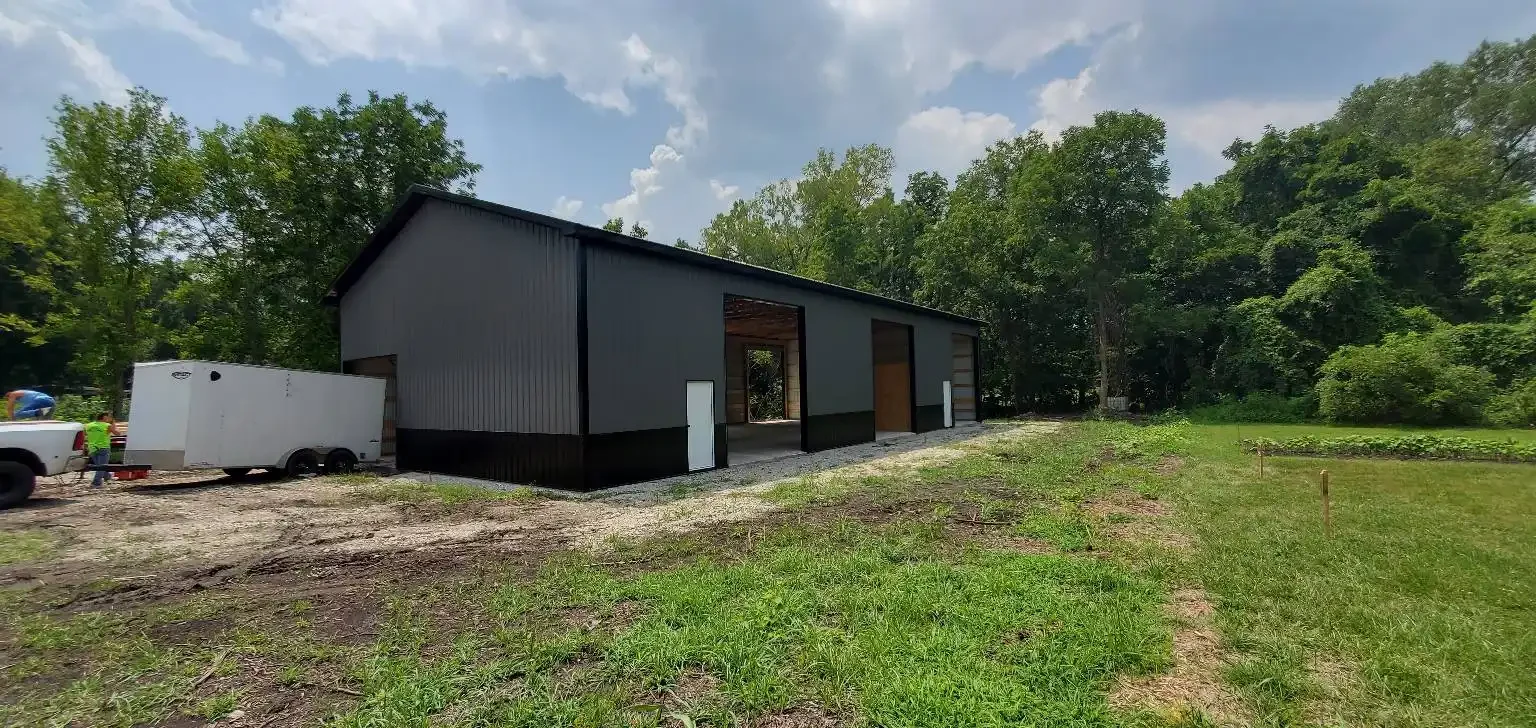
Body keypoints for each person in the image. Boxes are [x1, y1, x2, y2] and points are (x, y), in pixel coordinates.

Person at [83, 412, 120, 489]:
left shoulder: (88, 425)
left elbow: (84, 436)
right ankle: (96, 483)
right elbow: (118, 433)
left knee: (99, 466)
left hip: (92, 448)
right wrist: (113, 424)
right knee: (101, 467)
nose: (109, 418)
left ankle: (108, 476)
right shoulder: (107, 425)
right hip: (103, 447)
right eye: (108, 417)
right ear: (104, 417)